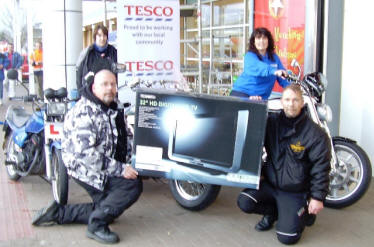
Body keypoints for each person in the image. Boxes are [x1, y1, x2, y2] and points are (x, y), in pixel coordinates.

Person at [32, 69, 143, 244]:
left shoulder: (112, 107)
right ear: (93, 87)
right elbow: (87, 156)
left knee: (106, 208)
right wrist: (122, 169)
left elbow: (125, 137)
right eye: (104, 84)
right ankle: (96, 226)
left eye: (113, 84)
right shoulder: (84, 112)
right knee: (131, 185)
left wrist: (140, 158)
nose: (110, 88)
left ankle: (58, 213)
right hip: (86, 169)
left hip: (103, 165)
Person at [237, 84, 331, 245]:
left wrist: (317, 197)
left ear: (302, 103)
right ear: (281, 102)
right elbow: (251, 133)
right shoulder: (271, 123)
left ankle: (305, 215)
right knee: (244, 201)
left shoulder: (315, 134)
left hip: (295, 192)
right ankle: (274, 212)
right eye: (287, 99)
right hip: (272, 185)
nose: (291, 104)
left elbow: (321, 168)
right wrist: (253, 106)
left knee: (287, 238)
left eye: (295, 100)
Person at [231, 27, 289, 100]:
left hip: (261, 98)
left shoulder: (274, 57)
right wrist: (274, 71)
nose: (261, 41)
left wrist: (293, 88)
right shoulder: (249, 56)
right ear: (254, 41)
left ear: (268, 41)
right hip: (242, 94)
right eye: (258, 38)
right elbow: (259, 67)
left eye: (264, 38)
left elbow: (283, 77)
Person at [76, 23, 118, 93]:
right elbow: (79, 74)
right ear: (95, 37)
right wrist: (81, 93)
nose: (102, 38)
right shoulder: (87, 53)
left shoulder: (113, 52)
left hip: (109, 92)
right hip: (91, 93)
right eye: (99, 35)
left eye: (104, 35)